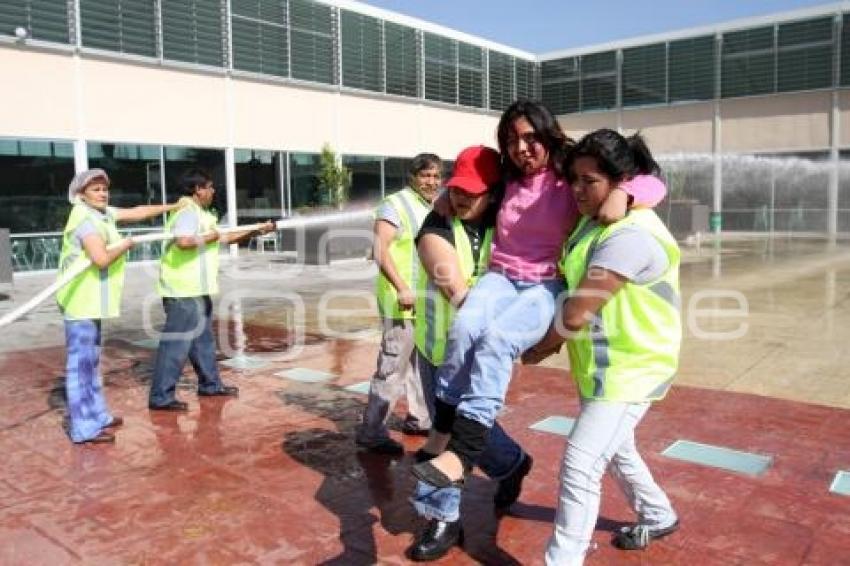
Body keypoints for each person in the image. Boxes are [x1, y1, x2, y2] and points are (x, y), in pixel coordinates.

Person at [412, 99, 667, 493]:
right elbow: (469, 185)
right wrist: (447, 194)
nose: (521, 148)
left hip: (544, 283)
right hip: (500, 278)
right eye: (512, 140)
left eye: (531, 138)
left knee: (497, 341)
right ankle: (441, 434)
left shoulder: (569, 173)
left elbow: (652, 180)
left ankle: (464, 452)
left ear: (548, 135)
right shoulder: (507, 177)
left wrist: (627, 195)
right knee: (464, 327)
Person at [525, 129, 681, 565]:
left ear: (621, 181)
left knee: (580, 464)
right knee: (617, 449)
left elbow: (577, 313)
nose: (576, 190)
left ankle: (563, 560)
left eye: (588, 181)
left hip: (632, 369)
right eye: (572, 179)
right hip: (603, 366)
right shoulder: (596, 222)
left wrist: (539, 348)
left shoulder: (630, 234)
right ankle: (658, 512)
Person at [407, 146, 531, 561]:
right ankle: (445, 520)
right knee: (450, 434)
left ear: (494, 193)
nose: (461, 198)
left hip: (488, 351)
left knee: (470, 427)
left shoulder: (511, 225)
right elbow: (452, 284)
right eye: (456, 189)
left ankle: (510, 464)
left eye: (473, 192)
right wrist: (471, 302)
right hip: (441, 351)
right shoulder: (437, 223)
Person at [56, 168, 186, 443]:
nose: (102, 193)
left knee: (91, 363)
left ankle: (98, 415)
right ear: (80, 195)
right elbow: (101, 258)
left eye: (105, 189)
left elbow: (137, 212)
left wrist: (174, 205)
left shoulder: (100, 214)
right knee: (80, 367)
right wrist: (125, 245)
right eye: (96, 189)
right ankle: (83, 428)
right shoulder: (83, 218)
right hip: (79, 303)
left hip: (92, 303)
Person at [148, 168, 274, 411]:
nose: (213, 191)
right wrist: (211, 237)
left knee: (202, 341)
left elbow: (225, 238)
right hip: (182, 291)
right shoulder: (187, 212)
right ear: (198, 190)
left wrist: (257, 230)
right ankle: (161, 397)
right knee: (176, 346)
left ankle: (210, 384)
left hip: (198, 288)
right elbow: (183, 241)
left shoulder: (203, 215)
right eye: (209, 187)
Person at [355, 154, 442, 454]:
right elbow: (380, 250)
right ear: (412, 177)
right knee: (392, 367)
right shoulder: (396, 204)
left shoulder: (426, 207)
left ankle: (419, 418)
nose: (431, 182)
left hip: (422, 304)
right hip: (400, 302)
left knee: (419, 365)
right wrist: (402, 288)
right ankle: (372, 431)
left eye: (435, 176)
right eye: (425, 176)